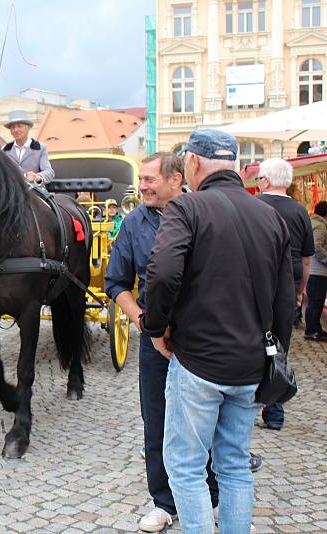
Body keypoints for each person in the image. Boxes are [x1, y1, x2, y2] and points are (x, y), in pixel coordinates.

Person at [142, 129, 294, 534]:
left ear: (193, 163)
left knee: (187, 466)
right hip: (250, 365)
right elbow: (286, 301)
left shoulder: (187, 208)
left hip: (198, 361)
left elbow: (162, 274)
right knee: (234, 464)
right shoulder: (271, 215)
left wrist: (156, 328)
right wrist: (276, 358)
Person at [105, 152, 221, 532]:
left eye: (151, 179)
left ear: (176, 179)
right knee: (156, 420)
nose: (143, 187)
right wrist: (143, 320)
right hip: (155, 339)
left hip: (201, 336)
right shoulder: (134, 222)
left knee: (208, 420)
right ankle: (164, 502)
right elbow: (116, 283)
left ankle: (214, 497)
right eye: (141, 179)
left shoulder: (204, 213)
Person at [256, 157, 315, 431]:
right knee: (279, 346)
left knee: (253, 340)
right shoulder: (301, 211)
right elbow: (306, 259)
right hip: (288, 282)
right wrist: (300, 291)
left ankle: (245, 405)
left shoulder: (255, 206)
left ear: (265, 181)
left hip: (258, 279)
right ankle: (275, 410)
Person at [2, 110, 54, 185]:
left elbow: (49, 172)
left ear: (28, 128)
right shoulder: (5, 149)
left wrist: (38, 176)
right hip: (12, 191)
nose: (16, 130)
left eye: (19, 126)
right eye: (13, 127)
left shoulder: (41, 148)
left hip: (35, 191)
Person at [305, 201, 327, 341]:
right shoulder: (321, 226)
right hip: (318, 270)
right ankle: (312, 330)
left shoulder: (311, 223)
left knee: (314, 302)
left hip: (311, 269)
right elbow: (317, 246)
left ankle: (314, 328)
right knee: (316, 302)